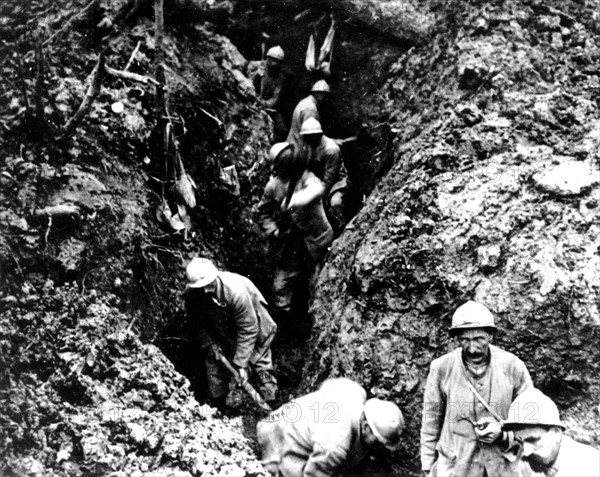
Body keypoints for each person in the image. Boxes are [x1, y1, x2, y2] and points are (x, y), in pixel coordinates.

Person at [420, 300, 533, 477]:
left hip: (501, 467)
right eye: (465, 340)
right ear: (457, 339)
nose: (472, 349)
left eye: (479, 339)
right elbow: (431, 420)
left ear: (491, 336)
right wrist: (427, 466)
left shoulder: (513, 367)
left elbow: (531, 422)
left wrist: (502, 434)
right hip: (457, 467)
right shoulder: (441, 368)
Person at [257, 142, 333, 339]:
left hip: (316, 240)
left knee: (319, 284)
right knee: (280, 286)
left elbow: (318, 188)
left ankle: (315, 327)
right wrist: (273, 230)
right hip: (290, 242)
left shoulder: (306, 178)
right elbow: (263, 212)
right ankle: (284, 327)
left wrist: (295, 200)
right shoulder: (273, 186)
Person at [257, 377, 404, 477]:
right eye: (378, 441)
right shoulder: (335, 445)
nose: (379, 446)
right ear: (366, 426)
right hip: (276, 437)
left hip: (290, 419)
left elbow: (329, 385)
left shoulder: (355, 392)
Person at [184, 257, 278, 407]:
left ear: (215, 277)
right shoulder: (191, 293)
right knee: (214, 367)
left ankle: (273, 405)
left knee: (260, 364)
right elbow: (196, 323)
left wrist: (241, 365)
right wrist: (209, 344)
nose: (206, 290)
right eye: (200, 287)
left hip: (254, 323)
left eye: (209, 285)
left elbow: (248, 328)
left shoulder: (235, 291)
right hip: (221, 329)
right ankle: (219, 410)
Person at [502, 388, 600, 477]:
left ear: (556, 433)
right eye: (520, 441)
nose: (526, 452)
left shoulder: (592, 466)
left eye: (533, 440)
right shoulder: (527, 464)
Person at [298, 117, 349, 231]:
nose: (306, 139)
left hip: (338, 183)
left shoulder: (331, 150)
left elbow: (329, 179)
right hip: (318, 182)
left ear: (317, 134)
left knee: (335, 203)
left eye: (309, 136)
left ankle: (344, 231)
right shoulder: (310, 145)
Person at [254, 45, 288, 142]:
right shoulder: (257, 66)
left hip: (267, 106)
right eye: (272, 60)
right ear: (267, 59)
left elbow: (275, 97)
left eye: (277, 61)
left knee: (282, 130)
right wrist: (256, 76)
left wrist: (265, 104)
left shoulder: (280, 77)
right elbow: (246, 79)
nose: (274, 64)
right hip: (252, 100)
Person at [286, 80, 330, 151]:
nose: (325, 98)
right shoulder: (311, 108)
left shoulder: (305, 102)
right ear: (317, 93)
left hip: (294, 145)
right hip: (299, 148)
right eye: (324, 95)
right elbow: (311, 135)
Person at [305, 13, 337, 79]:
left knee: (317, 39)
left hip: (315, 56)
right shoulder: (324, 70)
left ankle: (329, 20)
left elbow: (312, 52)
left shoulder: (310, 66)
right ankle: (333, 22)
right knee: (327, 43)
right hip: (320, 57)